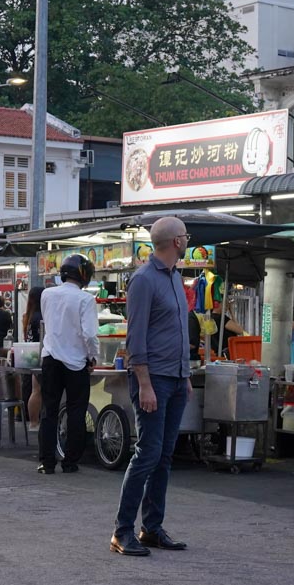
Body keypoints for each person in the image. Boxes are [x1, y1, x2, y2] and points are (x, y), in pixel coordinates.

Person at [111, 217, 194, 557]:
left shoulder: (175, 277)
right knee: (147, 453)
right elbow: (136, 337)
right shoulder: (144, 280)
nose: (188, 240)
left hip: (174, 377)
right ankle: (122, 531)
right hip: (153, 377)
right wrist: (144, 383)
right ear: (176, 241)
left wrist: (185, 374)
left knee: (164, 456)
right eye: (186, 235)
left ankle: (152, 527)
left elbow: (179, 332)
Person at [37, 255, 99, 476]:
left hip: (51, 358)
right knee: (76, 411)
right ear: (84, 275)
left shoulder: (47, 294)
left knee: (49, 410)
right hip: (76, 362)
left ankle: (47, 462)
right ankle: (70, 461)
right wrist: (93, 356)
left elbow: (49, 322)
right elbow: (90, 334)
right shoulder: (86, 300)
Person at [23, 285, 46, 427]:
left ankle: (33, 422)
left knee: (35, 390)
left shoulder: (29, 315)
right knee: (38, 391)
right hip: (41, 355)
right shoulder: (40, 317)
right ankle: (35, 421)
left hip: (32, 355)